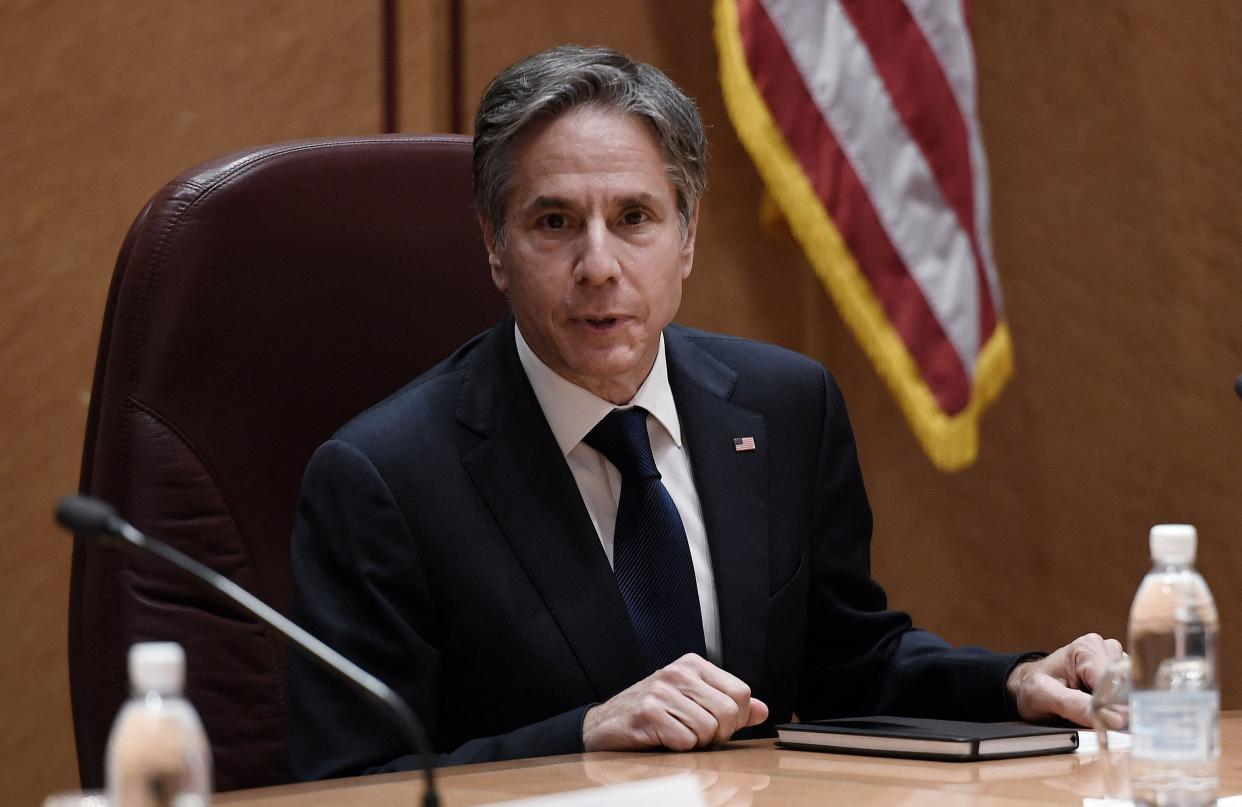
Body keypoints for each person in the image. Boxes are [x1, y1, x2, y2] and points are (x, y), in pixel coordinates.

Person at [286, 45, 1123, 780]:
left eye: (635, 217)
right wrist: (582, 734)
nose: (599, 264)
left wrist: (1014, 682)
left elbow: (850, 663)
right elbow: (352, 778)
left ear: (686, 237)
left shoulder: (786, 405)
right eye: (554, 222)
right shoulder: (384, 478)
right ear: (494, 248)